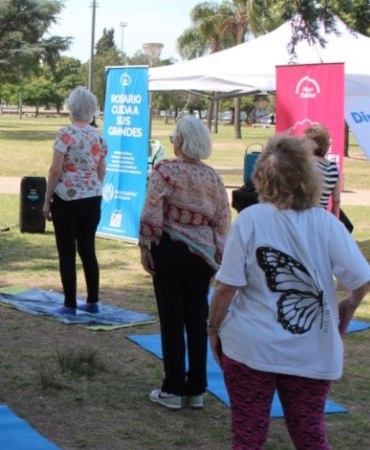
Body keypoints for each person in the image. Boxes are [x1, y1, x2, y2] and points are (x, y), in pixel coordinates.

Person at [208, 136, 370, 449]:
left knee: (248, 435)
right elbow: (362, 280)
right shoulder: (327, 224)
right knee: (309, 435)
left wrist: (213, 327)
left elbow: (227, 286)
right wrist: (346, 308)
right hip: (311, 351)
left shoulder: (251, 221)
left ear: (261, 178)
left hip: (251, 349)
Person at [139, 114, 231, 410]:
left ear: (180, 140)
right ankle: (197, 388)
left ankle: (173, 387)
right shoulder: (213, 178)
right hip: (202, 256)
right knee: (196, 320)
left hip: (170, 250)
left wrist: (145, 245)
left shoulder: (165, 170)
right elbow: (222, 220)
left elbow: (152, 211)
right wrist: (218, 254)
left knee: (171, 318)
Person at [42, 86, 107, 316]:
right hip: (92, 197)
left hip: (66, 198)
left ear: (71, 107)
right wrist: (91, 186)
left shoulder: (65, 134)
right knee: (88, 249)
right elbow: (102, 170)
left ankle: (69, 303)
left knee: (67, 251)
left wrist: (47, 199)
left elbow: (55, 169)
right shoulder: (98, 136)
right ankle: (93, 300)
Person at [304, 124, 341, 217]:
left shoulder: (306, 164)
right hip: (323, 215)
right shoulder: (333, 167)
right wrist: (334, 221)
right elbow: (336, 201)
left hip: (305, 214)